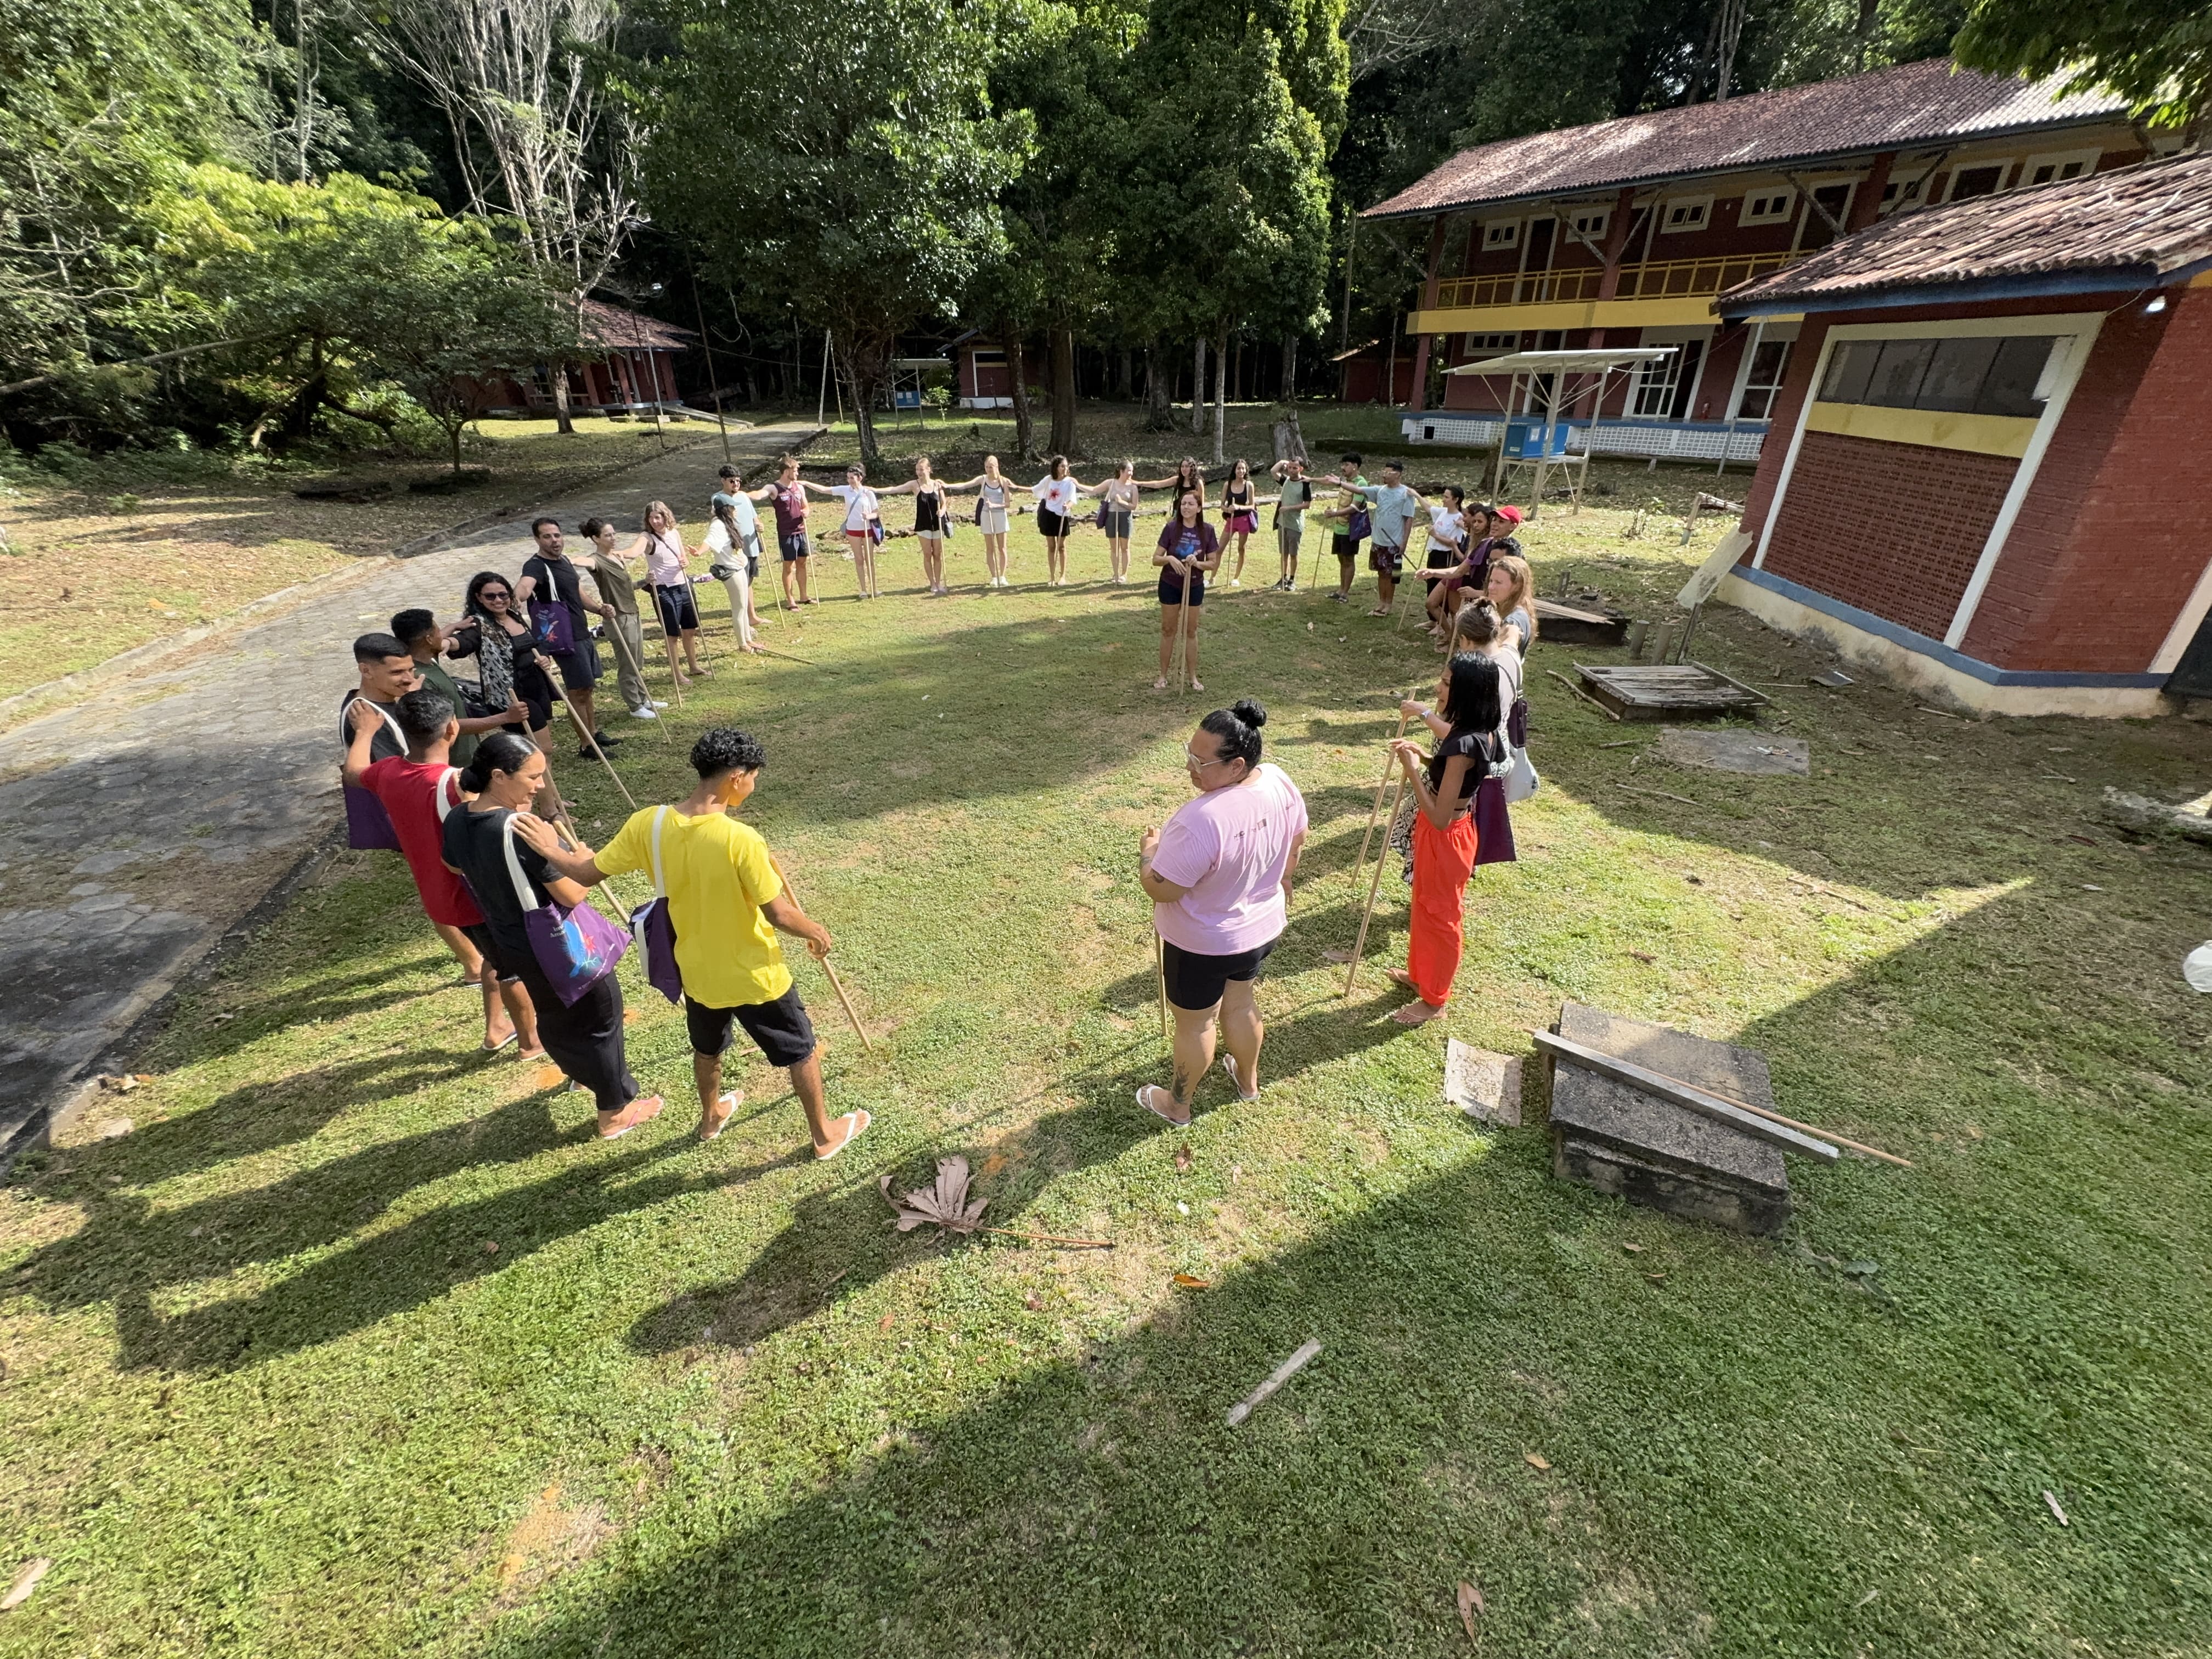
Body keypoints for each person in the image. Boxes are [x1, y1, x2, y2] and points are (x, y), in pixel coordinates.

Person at [516, 727, 873, 1159]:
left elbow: (587, 872)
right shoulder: (742, 841)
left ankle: (710, 1117)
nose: (754, 786)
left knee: (707, 1048)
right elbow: (778, 914)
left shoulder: (650, 823)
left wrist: (550, 849)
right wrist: (815, 930)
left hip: (694, 971)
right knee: (801, 1050)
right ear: (737, 778)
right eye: (754, 777)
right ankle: (824, 1135)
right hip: (755, 974)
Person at [440, 733, 663, 1138]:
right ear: (498, 776)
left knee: (556, 1015)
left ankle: (583, 1073)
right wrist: (581, 860)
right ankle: (614, 1112)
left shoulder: (459, 818)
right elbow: (574, 890)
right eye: (533, 777)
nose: (540, 785)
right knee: (601, 1016)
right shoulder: (523, 829)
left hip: (510, 939)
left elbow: (454, 867)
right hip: (555, 942)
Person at [1135, 701, 1307, 1126]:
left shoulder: (1201, 819)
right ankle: (1248, 1083)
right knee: (1241, 1004)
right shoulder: (1279, 782)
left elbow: (1162, 888)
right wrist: (1284, 879)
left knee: (1195, 1025)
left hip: (1202, 943)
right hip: (1259, 929)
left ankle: (1178, 1105)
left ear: (1237, 766)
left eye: (1201, 761)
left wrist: (1148, 855)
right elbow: (1298, 838)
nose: (1191, 767)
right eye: (1189, 754)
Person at [346, 688, 543, 1056]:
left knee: (491, 956)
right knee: (512, 966)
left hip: (438, 895)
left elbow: (354, 772)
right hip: (476, 894)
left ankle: (496, 1029)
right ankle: (532, 1042)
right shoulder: (455, 783)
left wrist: (366, 732)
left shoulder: (387, 771)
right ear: (453, 728)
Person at [1386, 654, 1504, 1025]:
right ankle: (1422, 975)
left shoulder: (1464, 744)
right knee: (1423, 906)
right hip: (1450, 831)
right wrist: (1424, 758)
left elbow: (1438, 816)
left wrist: (1411, 773)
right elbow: (1456, 780)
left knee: (1441, 918)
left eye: (1448, 683)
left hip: (1446, 836)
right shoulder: (1478, 730)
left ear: (1467, 692)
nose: (1439, 688)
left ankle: (1435, 1000)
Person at [452, 572, 567, 819]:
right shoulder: (479, 626)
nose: (498, 600)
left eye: (503, 595)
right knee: (540, 751)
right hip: (513, 698)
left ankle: (552, 798)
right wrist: (450, 634)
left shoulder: (514, 616)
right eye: (490, 596)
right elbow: (457, 645)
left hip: (537, 688)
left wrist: (543, 656)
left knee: (540, 752)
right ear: (479, 598)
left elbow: (534, 644)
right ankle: (548, 809)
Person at [515, 517, 618, 759]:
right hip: (563, 637)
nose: (554, 541)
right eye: (547, 537)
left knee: (588, 687)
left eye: (557, 535)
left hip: (580, 631)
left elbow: (577, 593)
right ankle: (586, 744)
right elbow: (524, 587)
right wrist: (514, 598)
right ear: (537, 539)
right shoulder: (536, 566)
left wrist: (599, 609)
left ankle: (592, 732)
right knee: (578, 690)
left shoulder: (564, 561)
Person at [390, 606, 521, 769]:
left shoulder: (427, 659)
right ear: (429, 639)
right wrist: (505, 717)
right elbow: (446, 725)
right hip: (455, 764)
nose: (443, 636)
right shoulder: (422, 680)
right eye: (438, 631)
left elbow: (435, 640)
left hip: (465, 757)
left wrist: (454, 627)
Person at [338, 632, 419, 848]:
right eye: (397, 672)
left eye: (411, 670)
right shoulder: (366, 718)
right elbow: (396, 778)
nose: (409, 679)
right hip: (410, 820)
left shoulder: (384, 700)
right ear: (366, 671)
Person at [580, 516, 663, 720]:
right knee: (628, 664)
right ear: (595, 539)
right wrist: (566, 560)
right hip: (618, 618)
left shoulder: (618, 558)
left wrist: (644, 581)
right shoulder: (596, 561)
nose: (613, 538)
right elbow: (584, 562)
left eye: (614, 534)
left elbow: (625, 587)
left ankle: (644, 700)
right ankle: (635, 706)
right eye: (608, 535)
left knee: (638, 662)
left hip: (633, 612)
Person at [1153, 487, 1220, 692]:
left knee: (1191, 631)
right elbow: (1156, 559)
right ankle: (1163, 676)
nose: (1186, 507)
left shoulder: (1207, 531)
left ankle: (1192, 677)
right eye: (1183, 504)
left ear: (1199, 508)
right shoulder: (1171, 528)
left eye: (1191, 504)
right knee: (1168, 629)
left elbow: (1212, 563)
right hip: (1170, 584)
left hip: (1195, 585)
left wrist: (1197, 563)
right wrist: (1170, 559)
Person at [1334, 461, 1421, 618]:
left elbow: (1409, 519)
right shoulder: (1379, 491)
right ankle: (1381, 602)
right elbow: (1359, 489)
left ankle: (1389, 604)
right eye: (1384, 472)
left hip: (1394, 542)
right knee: (1381, 573)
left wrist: (1404, 542)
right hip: (1378, 540)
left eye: (1389, 473)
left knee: (1392, 574)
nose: (1384, 475)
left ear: (1398, 474)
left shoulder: (1406, 494)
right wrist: (1340, 483)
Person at [635, 500, 708, 683]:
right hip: (663, 589)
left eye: (657, 517)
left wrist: (685, 562)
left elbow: (683, 557)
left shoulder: (674, 533)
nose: (655, 522)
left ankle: (693, 666)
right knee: (672, 635)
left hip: (683, 585)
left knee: (690, 629)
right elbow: (635, 550)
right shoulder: (647, 537)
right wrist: (620, 554)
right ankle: (677, 673)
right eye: (651, 518)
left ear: (665, 516)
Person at [878, 455, 954, 595]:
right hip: (923, 525)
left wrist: (942, 511)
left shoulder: (937, 485)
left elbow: (944, 503)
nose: (919, 472)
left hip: (937, 524)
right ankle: (932, 583)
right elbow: (894, 489)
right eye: (917, 470)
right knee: (927, 555)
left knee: (937, 554)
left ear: (929, 470)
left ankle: (939, 582)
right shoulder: (915, 485)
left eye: (922, 470)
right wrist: (874, 490)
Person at [709, 465, 767, 635]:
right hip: (736, 548)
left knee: (749, 581)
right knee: (741, 585)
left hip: (751, 544)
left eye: (738, 481)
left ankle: (752, 616)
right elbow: (717, 518)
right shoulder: (718, 499)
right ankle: (745, 622)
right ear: (723, 481)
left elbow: (754, 516)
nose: (736, 484)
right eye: (732, 481)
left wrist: (759, 524)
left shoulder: (744, 497)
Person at [947, 455, 1018, 587]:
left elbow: (1007, 504)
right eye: (987, 467)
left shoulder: (1004, 481)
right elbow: (964, 485)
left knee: (1002, 548)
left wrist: (995, 505)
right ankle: (994, 577)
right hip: (986, 515)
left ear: (997, 467)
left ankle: (1002, 576)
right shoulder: (983, 479)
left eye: (991, 467)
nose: (989, 470)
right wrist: (947, 485)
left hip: (1000, 515)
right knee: (990, 548)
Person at [759, 455, 817, 607]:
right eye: (795, 471)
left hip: (801, 531)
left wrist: (807, 511)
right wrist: (744, 496)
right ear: (786, 472)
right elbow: (761, 494)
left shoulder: (799, 488)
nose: (797, 474)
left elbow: (806, 506)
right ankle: (790, 600)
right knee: (788, 566)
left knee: (802, 563)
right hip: (786, 534)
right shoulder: (774, 488)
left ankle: (804, 596)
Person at [823, 464, 884, 599]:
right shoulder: (846, 490)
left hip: (867, 529)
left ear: (860, 478)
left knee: (870, 560)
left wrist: (868, 516)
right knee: (859, 560)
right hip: (853, 530)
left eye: (852, 478)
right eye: (848, 478)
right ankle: (863, 590)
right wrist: (804, 483)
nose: (850, 481)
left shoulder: (868, 493)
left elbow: (876, 513)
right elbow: (825, 490)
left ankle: (874, 589)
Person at [1317, 452, 1369, 603]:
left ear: (1355, 466)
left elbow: (1354, 508)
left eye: (1346, 465)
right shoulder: (1344, 482)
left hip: (1351, 529)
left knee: (1349, 559)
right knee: (1341, 559)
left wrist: (1334, 514)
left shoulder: (1361, 484)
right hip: (1339, 528)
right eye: (1343, 464)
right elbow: (1328, 482)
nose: (1343, 468)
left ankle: (1345, 593)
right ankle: (1340, 589)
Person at [1081, 461, 1142, 584]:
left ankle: (1124, 575)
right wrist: (1077, 484)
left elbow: (1134, 506)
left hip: (1125, 517)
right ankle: (1115, 573)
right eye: (1129, 470)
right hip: (1111, 517)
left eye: (1132, 471)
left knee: (1125, 548)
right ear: (1121, 471)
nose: (1131, 473)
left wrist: (1122, 502)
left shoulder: (1133, 487)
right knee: (1114, 548)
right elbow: (1094, 490)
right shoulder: (1111, 483)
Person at [1030, 455, 1082, 587]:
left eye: (1066, 466)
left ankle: (1062, 576)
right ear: (1056, 468)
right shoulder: (1049, 480)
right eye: (1062, 466)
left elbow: (1072, 500)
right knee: (1051, 546)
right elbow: (1035, 489)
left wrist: (1068, 506)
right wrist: (1014, 486)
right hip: (1048, 514)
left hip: (1062, 515)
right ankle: (1052, 576)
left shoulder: (1070, 482)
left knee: (1061, 546)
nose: (1065, 468)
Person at [1268, 458, 1313, 591]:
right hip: (1283, 522)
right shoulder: (1286, 481)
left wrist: (1288, 508)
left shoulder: (1305, 483)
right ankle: (1283, 578)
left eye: (1295, 468)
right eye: (1290, 467)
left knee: (1293, 553)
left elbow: (1307, 504)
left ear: (1301, 469)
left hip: (1295, 523)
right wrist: (1282, 462)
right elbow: (1273, 471)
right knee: (1284, 553)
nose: (1292, 470)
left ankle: (1292, 580)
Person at [1216, 458, 1260, 586]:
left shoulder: (1249, 485)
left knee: (1241, 549)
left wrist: (1240, 507)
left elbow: (1252, 506)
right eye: (1238, 468)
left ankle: (1236, 578)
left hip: (1244, 520)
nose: (1241, 471)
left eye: (1243, 468)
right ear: (1234, 470)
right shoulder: (1227, 485)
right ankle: (1212, 577)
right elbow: (1222, 505)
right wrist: (1228, 510)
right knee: (1219, 549)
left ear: (1246, 470)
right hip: (1231, 520)